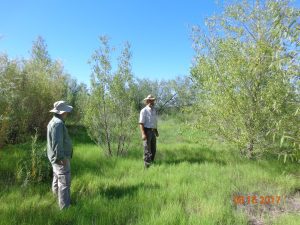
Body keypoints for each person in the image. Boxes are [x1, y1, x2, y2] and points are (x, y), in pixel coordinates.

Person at [47, 100, 73, 209]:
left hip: (54, 157)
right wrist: (62, 158)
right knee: (64, 182)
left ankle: (55, 199)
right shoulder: (58, 124)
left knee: (57, 178)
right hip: (60, 158)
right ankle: (65, 208)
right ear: (62, 112)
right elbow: (57, 143)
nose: (67, 113)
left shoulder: (53, 121)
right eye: (66, 111)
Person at [139, 94, 159, 168]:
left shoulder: (154, 110)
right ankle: (147, 166)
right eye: (150, 100)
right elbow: (141, 123)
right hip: (147, 132)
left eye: (152, 100)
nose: (151, 101)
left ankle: (152, 163)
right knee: (147, 149)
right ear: (147, 101)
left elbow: (154, 122)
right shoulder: (143, 111)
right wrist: (143, 134)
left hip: (153, 131)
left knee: (153, 149)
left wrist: (156, 131)